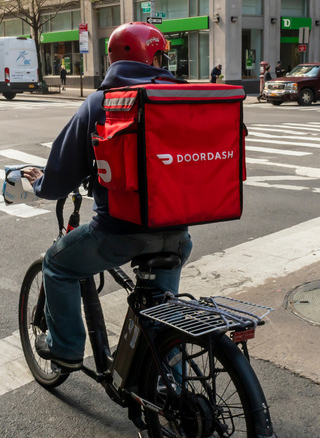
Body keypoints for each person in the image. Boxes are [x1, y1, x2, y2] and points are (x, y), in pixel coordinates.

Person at [20, 22, 193, 371]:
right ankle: (174, 388)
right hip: (178, 234)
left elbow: (59, 178)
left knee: (56, 265)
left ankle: (65, 348)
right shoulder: (183, 99)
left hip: (119, 234)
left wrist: (39, 183)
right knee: (163, 316)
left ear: (114, 59)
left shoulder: (102, 103)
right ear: (154, 58)